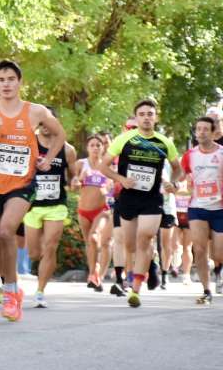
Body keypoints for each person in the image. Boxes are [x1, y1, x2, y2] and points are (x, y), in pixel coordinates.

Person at [0, 60, 66, 322]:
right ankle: (9, 284)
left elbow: (60, 134)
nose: (6, 84)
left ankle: (10, 294)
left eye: (11, 79)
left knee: (6, 230)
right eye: (1, 79)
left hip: (22, 184)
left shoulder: (36, 112)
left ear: (20, 82)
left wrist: (48, 158)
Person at [94, 99, 180, 308]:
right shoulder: (124, 140)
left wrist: (173, 182)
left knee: (145, 238)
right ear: (136, 117)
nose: (146, 117)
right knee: (131, 245)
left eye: (150, 113)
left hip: (152, 199)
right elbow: (103, 166)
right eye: (142, 114)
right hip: (128, 199)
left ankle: (136, 290)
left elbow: (177, 168)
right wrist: (120, 179)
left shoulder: (164, 142)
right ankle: (149, 264)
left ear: (156, 117)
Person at [22, 114, 76, 308]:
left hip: (56, 205)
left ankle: (40, 291)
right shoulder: (30, 144)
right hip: (32, 205)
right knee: (35, 253)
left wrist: (75, 181)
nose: (45, 127)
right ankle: (40, 271)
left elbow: (72, 176)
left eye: (49, 123)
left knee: (51, 247)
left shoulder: (67, 150)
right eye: (41, 123)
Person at [182, 116, 223, 304]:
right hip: (197, 207)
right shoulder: (190, 155)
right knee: (199, 249)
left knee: (218, 254)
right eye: (198, 129)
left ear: (214, 132)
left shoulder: (222, 154)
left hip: (220, 208)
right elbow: (182, 178)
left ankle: (219, 271)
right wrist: (176, 185)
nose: (201, 132)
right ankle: (207, 290)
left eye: (205, 129)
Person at [73, 133, 113, 291]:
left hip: (102, 210)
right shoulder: (80, 164)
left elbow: (114, 186)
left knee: (95, 238)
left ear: (103, 147)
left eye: (99, 145)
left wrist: (109, 187)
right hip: (83, 210)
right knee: (89, 243)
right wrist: (79, 180)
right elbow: (73, 186)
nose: (96, 148)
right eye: (92, 145)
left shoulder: (108, 165)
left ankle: (100, 276)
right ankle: (92, 274)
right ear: (87, 148)